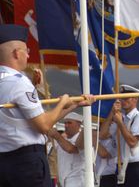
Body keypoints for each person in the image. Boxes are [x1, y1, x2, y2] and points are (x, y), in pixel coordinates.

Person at [0, 24, 94, 187]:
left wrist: (74, 105)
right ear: (16, 53)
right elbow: (43, 125)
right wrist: (63, 102)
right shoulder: (19, 83)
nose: (28, 55)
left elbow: (23, 118)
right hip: (26, 163)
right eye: (27, 51)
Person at [99, 84, 139, 187]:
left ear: (135, 99)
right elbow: (102, 135)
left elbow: (132, 142)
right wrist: (112, 114)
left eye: (126, 98)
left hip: (134, 166)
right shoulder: (120, 117)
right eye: (121, 98)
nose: (123, 101)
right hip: (120, 166)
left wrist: (120, 123)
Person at [49, 112, 85, 187]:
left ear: (79, 124)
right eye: (65, 123)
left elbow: (71, 149)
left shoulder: (83, 138)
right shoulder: (63, 140)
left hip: (78, 181)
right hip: (63, 181)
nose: (66, 125)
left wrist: (56, 135)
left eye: (69, 123)